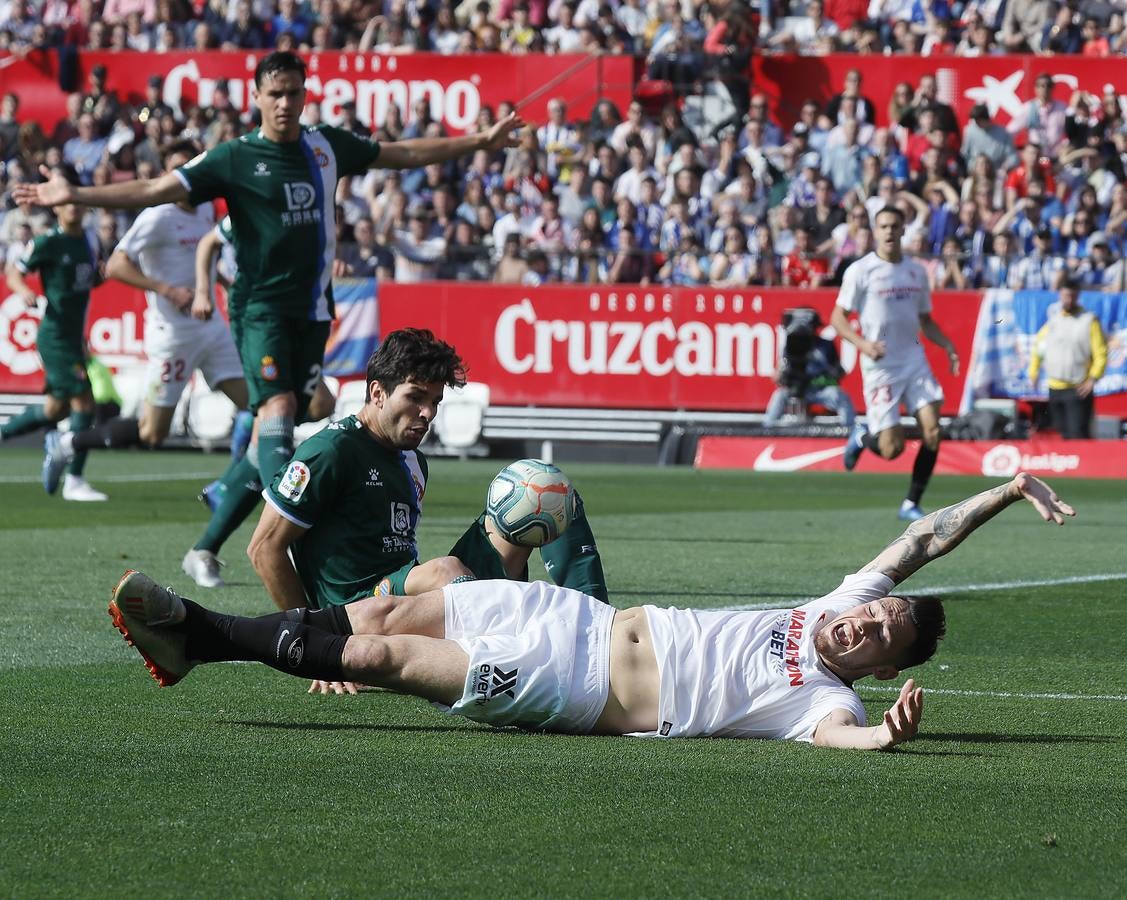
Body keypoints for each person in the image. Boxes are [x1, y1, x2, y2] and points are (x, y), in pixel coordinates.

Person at [108, 472, 1076, 747]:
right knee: (374, 625)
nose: (864, 625)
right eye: (876, 615)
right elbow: (915, 545)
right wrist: (1002, 490)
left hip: (567, 686)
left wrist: (886, 742)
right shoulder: (830, 604)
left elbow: (845, 745)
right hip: (563, 619)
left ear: (878, 672)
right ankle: (201, 645)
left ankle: (194, 630)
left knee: (381, 666)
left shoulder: (824, 702)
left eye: (877, 640)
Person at [16, 50, 523, 572]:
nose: (284, 103)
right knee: (276, 409)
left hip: (312, 313)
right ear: (256, 96)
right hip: (258, 310)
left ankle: (225, 505)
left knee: (312, 409)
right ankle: (290, 540)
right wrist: (75, 192)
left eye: (293, 93)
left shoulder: (327, 146)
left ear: (305, 96)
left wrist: (479, 141)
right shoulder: (234, 158)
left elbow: (406, 154)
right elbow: (153, 189)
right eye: (274, 93)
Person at [247, 328, 608, 693]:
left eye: (435, 401)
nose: (427, 413)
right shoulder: (330, 451)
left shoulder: (413, 460)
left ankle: (597, 639)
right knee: (443, 570)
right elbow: (264, 549)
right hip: (357, 613)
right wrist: (315, 648)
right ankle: (506, 651)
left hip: (409, 599)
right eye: (416, 398)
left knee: (546, 491)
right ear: (377, 393)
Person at [39, 140, 249, 484]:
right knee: (152, 434)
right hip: (173, 335)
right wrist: (166, 290)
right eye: (181, 168)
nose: (189, 175)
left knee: (257, 405)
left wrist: (221, 281)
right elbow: (116, 265)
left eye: (193, 165)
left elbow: (205, 253)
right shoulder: (156, 216)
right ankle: (67, 442)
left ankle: (232, 488)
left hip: (211, 328)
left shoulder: (206, 209)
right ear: (170, 174)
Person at [832, 207, 960, 521]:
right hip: (881, 367)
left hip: (914, 360)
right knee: (892, 449)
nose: (889, 232)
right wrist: (862, 344)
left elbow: (925, 320)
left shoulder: (916, 271)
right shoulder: (860, 271)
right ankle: (863, 436)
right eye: (884, 226)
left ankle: (910, 504)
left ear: (903, 230)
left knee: (933, 432)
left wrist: (947, 345)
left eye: (894, 226)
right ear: (876, 232)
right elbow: (838, 318)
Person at [1, 167, 107, 502]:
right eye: (67, 200)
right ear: (57, 207)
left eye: (78, 198)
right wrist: (24, 291)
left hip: (73, 337)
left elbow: (88, 284)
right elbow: (14, 272)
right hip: (55, 336)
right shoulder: (49, 241)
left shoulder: (89, 240)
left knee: (55, 410)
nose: (73, 206)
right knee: (85, 402)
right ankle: (74, 479)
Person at [1028, 279, 1108, 439]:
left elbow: (1101, 352)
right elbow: (1039, 347)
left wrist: (1093, 378)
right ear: (1060, 295)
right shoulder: (1054, 321)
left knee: (1078, 434)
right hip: (1055, 388)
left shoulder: (1089, 321)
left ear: (1077, 296)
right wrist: (1033, 371)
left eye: (1072, 296)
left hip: (1077, 388)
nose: (1069, 300)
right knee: (1060, 433)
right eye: (1065, 296)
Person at [763, 308, 855, 430]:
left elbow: (839, 373)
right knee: (779, 396)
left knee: (839, 395)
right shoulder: (790, 347)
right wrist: (784, 375)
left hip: (821, 390)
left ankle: (849, 431)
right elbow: (777, 377)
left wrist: (826, 366)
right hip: (797, 390)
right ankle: (767, 430)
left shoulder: (826, 346)